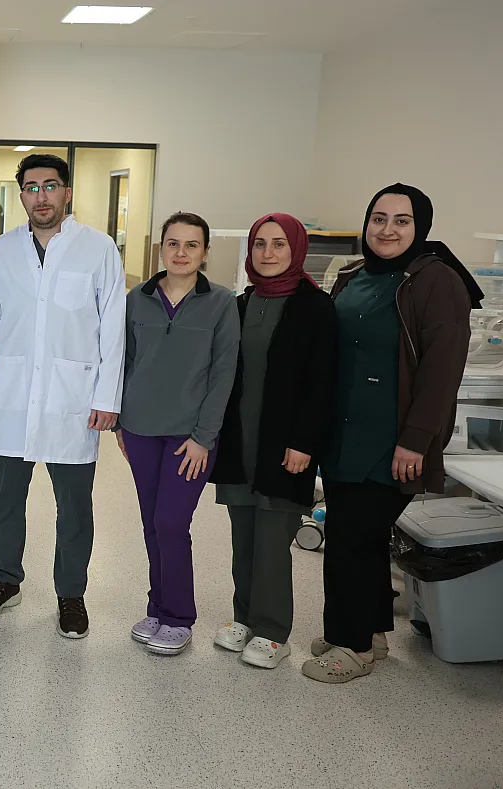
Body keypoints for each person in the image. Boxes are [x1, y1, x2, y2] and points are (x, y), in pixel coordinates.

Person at [303, 183, 481, 684]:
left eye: (401, 220)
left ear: (419, 227)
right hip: (343, 434)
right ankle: (373, 631)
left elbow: (443, 370)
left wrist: (416, 439)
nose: (387, 229)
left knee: (353, 540)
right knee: (354, 534)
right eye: (378, 218)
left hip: (393, 438)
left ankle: (352, 645)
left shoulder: (437, 281)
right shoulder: (352, 276)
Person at [0, 153, 125, 639]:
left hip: (73, 399)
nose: (41, 196)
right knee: (5, 500)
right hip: (15, 393)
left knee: (74, 508)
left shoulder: (98, 249)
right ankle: (3, 580)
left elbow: (113, 328)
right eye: (31, 188)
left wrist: (108, 398)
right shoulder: (3, 250)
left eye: (50, 186)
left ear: (67, 193)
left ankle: (71, 594)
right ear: (21, 196)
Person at [209, 214, 337, 669]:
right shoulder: (240, 304)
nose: (267, 253)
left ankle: (272, 631)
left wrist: (304, 443)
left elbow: (322, 382)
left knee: (272, 542)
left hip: (286, 447)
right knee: (243, 538)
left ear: (296, 249)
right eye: (260, 244)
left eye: (279, 244)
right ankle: (243, 618)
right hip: (240, 442)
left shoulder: (315, 308)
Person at [118, 213, 240, 656]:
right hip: (140, 429)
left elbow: (223, 374)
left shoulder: (221, 302)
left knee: (171, 523)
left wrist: (205, 437)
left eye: (192, 245)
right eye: (173, 243)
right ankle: (157, 607)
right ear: (161, 248)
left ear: (205, 252)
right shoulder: (137, 298)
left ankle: (178, 616)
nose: (181, 252)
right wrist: (121, 423)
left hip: (190, 438)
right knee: (152, 523)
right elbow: (125, 361)